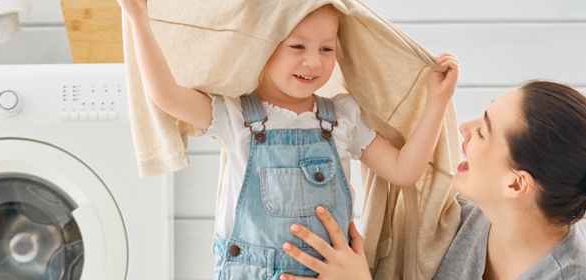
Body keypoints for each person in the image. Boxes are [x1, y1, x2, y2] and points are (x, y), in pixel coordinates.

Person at [116, 1, 459, 278]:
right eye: (297, 46)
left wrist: (436, 103)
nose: (313, 61)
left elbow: (404, 171)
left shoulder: (342, 119)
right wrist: (137, 19)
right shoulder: (235, 118)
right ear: (262, 47)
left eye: (326, 48)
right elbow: (165, 94)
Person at [280, 81, 586, 280]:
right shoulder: (451, 222)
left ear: (515, 184)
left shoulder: (579, 277)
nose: (464, 129)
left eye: (483, 131)